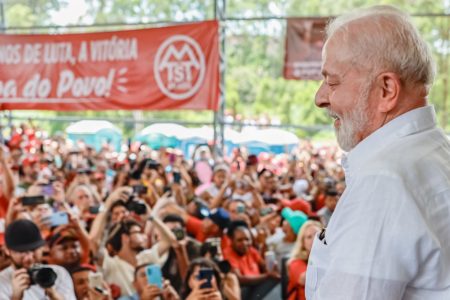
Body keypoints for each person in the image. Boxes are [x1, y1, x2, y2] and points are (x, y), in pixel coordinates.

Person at [307, 5, 450, 300]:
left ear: (386, 90)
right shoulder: (436, 151)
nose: (320, 98)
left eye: (332, 82)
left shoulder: (384, 181)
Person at [0, 219, 76, 299]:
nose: (29, 257)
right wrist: (16, 297)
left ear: (42, 247)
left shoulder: (59, 273)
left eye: (34, 249)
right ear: (7, 251)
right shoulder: (1, 281)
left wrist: (53, 294)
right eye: (21, 251)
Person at [286, 220, 321, 300]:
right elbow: (305, 279)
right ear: (303, 243)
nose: (315, 239)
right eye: (309, 237)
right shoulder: (295, 262)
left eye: (317, 235)